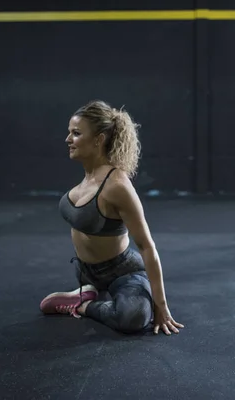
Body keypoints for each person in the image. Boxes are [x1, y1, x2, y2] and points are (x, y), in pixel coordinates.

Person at [39, 100, 184, 336]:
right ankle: (88, 291)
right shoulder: (87, 179)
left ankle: (84, 305)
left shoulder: (117, 186)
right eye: (69, 133)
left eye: (76, 133)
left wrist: (161, 306)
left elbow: (147, 247)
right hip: (86, 271)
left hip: (121, 271)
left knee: (134, 318)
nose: (68, 139)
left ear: (99, 139)